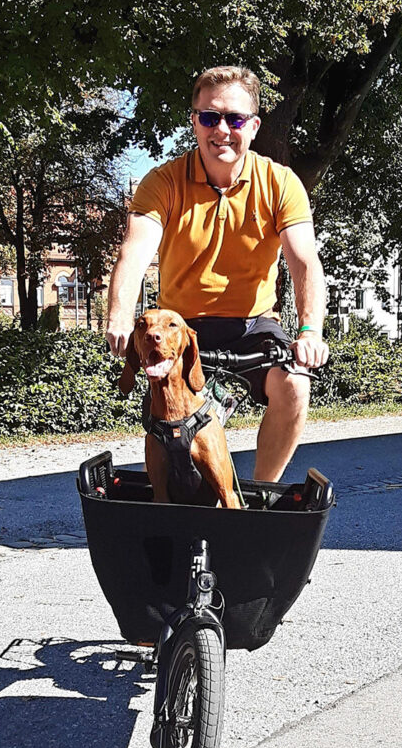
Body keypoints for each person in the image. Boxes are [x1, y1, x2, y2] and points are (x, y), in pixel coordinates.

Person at [106, 65, 328, 482]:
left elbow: (303, 261)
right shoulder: (163, 182)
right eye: (209, 117)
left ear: (254, 125)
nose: (221, 129)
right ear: (194, 122)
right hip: (181, 326)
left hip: (253, 325)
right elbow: (135, 250)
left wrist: (310, 330)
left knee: (295, 385)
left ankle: (260, 493)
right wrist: (119, 316)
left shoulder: (280, 183)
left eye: (234, 119)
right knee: (171, 416)